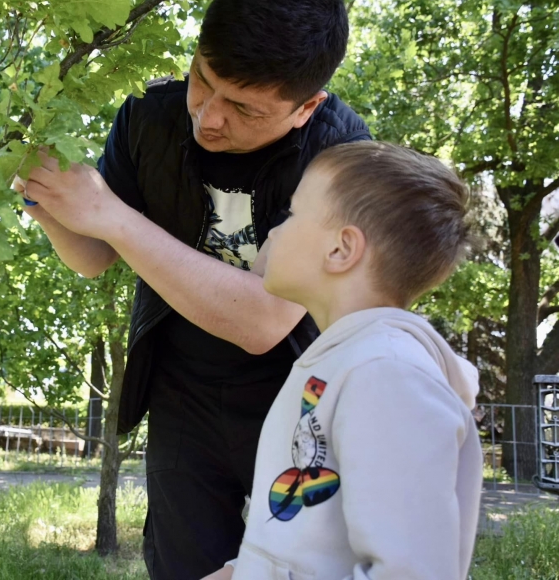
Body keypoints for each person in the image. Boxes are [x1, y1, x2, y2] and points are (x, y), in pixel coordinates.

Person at [14, 0, 369, 578]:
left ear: (306, 107)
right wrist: (48, 204)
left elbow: (264, 320)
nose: (208, 117)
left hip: (301, 403)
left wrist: (112, 215)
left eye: (244, 109)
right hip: (181, 393)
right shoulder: (147, 117)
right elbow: (93, 257)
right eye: (202, 80)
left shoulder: (341, 155)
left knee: (292, 570)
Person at [202, 141, 483, 580]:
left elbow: (411, 571)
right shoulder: (341, 361)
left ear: (340, 249)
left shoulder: (387, 373)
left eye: (291, 215)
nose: (273, 231)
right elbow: (302, 541)